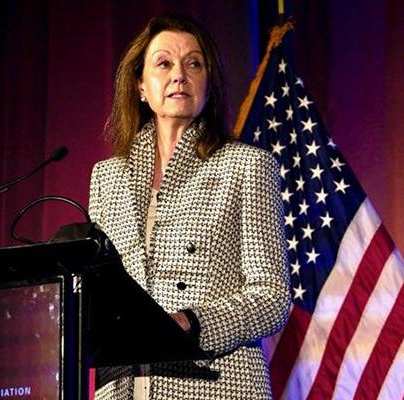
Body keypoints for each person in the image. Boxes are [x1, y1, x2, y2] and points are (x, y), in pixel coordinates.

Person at [88, 14, 290, 399]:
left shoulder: (247, 166)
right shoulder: (108, 177)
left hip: (217, 385)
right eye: (164, 64)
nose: (179, 75)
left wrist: (191, 323)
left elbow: (272, 298)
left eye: (194, 64)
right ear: (141, 86)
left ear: (208, 85)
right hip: (123, 388)